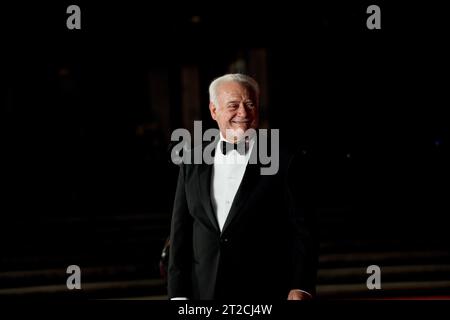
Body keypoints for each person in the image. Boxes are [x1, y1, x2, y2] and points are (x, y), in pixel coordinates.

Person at [168, 73, 317, 300]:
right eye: (233, 105)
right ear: (213, 110)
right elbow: (180, 233)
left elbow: (303, 230)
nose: (243, 113)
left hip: (265, 289)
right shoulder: (191, 160)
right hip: (202, 292)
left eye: (250, 104)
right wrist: (178, 294)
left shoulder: (285, 160)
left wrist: (301, 286)